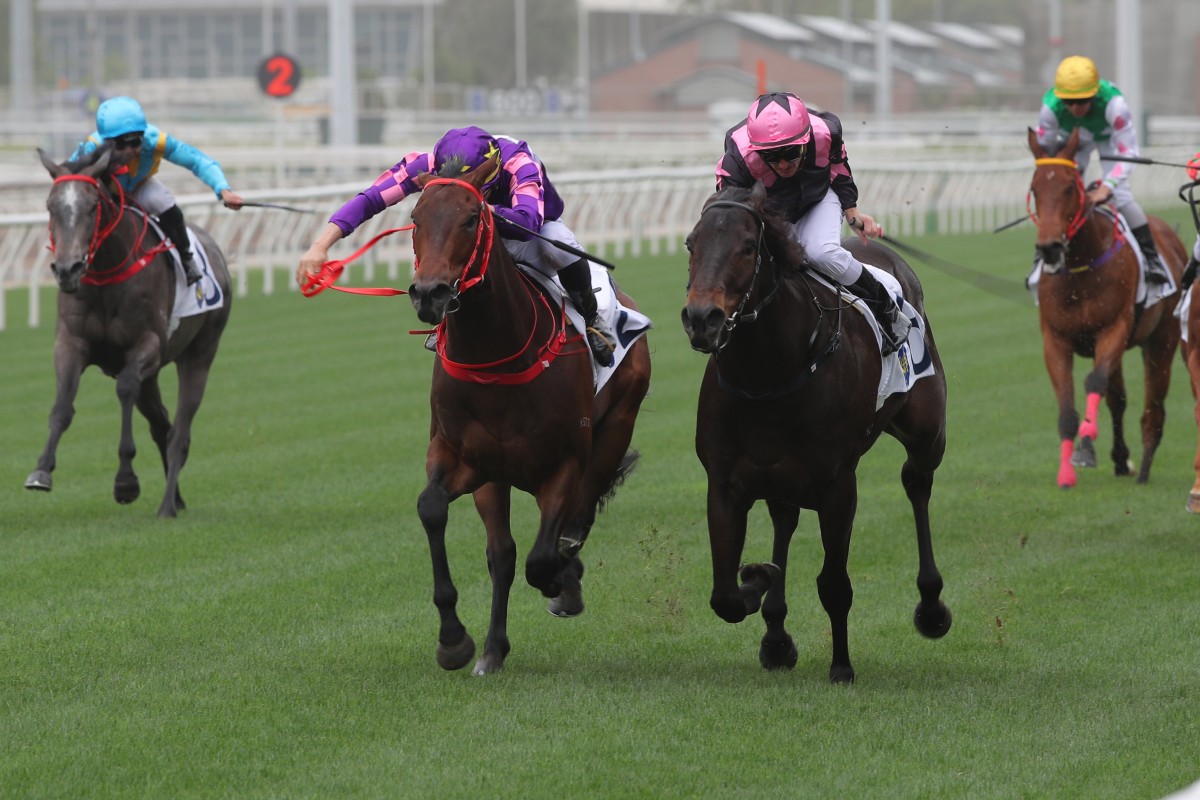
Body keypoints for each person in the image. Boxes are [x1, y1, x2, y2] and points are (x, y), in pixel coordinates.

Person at [296, 126, 617, 365]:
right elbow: (370, 200)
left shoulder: (517, 161)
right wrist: (320, 246)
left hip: (527, 230)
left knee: (560, 245)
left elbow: (529, 222)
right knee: (442, 241)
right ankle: (446, 321)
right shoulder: (428, 163)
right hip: (469, 228)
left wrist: (478, 210)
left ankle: (592, 321)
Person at [715, 91, 911, 355]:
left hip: (819, 198)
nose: (783, 163)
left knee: (820, 252)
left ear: (806, 140)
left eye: (791, 152)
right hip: (771, 210)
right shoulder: (737, 161)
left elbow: (839, 168)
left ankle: (884, 304)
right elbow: (731, 220)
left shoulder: (826, 132)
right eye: (772, 156)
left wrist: (852, 214)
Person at [70, 96, 244, 285]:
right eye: (121, 144)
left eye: (135, 142)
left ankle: (186, 257)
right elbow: (67, 177)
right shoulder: (91, 147)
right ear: (106, 140)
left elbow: (197, 160)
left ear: (143, 136)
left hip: (139, 186)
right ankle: (72, 261)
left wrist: (223, 189)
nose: (129, 151)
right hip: (107, 192)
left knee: (163, 201)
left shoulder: (155, 140)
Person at [1035, 55, 1172, 287]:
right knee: (1059, 195)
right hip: (1074, 141)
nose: (1075, 108)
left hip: (1109, 139)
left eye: (1083, 100)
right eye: (1068, 102)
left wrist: (1107, 187)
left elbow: (1129, 152)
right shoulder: (1049, 109)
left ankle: (1152, 259)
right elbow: (1047, 157)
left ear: (1095, 95)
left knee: (1121, 196)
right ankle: (1042, 256)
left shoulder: (1114, 105)